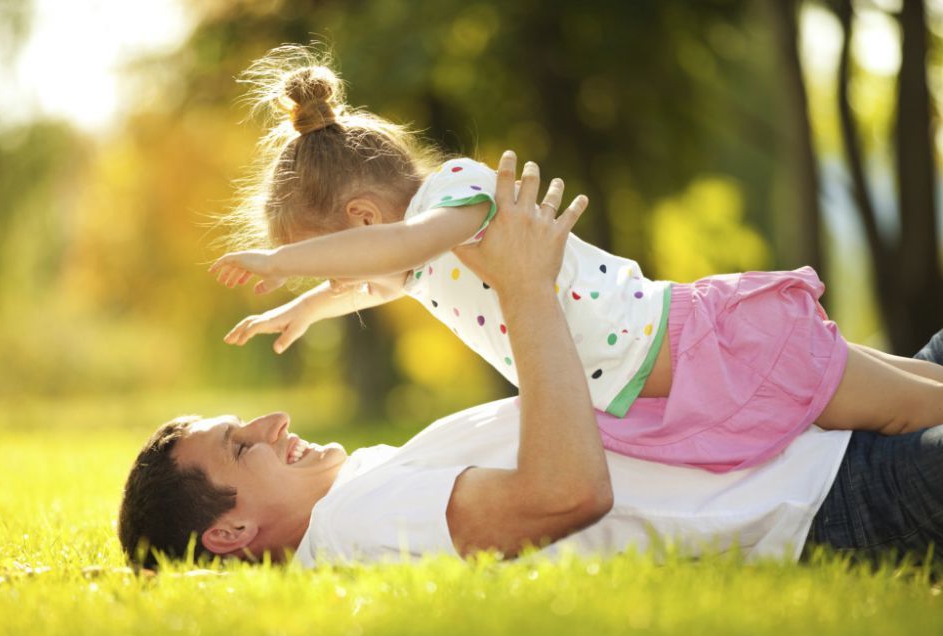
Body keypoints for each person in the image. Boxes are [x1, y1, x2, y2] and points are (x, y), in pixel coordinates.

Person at [117, 155, 943, 570]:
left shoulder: (362, 486)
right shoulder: (353, 524)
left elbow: (385, 269)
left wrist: (300, 300)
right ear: (229, 531)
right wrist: (525, 289)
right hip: (825, 492)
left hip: (788, 426)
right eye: (240, 445)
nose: (273, 423)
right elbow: (567, 494)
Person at [208, 45, 943, 474]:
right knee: (914, 387)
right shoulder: (425, 253)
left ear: (362, 217)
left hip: (704, 345)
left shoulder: (459, 195)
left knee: (912, 406)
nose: (341, 271)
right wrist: (303, 305)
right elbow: (371, 280)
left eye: (331, 252)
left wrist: (282, 264)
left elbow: (389, 252)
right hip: (675, 365)